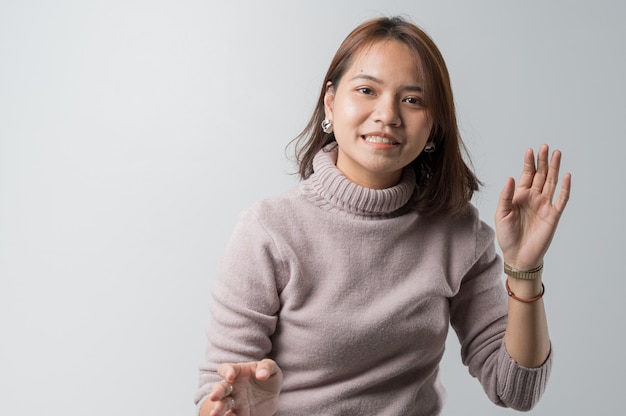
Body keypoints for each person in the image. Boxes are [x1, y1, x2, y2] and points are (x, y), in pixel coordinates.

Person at [194, 16, 571, 416]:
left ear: (434, 125)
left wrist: (524, 271)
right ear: (330, 102)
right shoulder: (267, 232)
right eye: (366, 90)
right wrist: (242, 410)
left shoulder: (459, 233)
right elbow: (216, 393)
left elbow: (516, 392)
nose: (387, 114)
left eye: (412, 99)